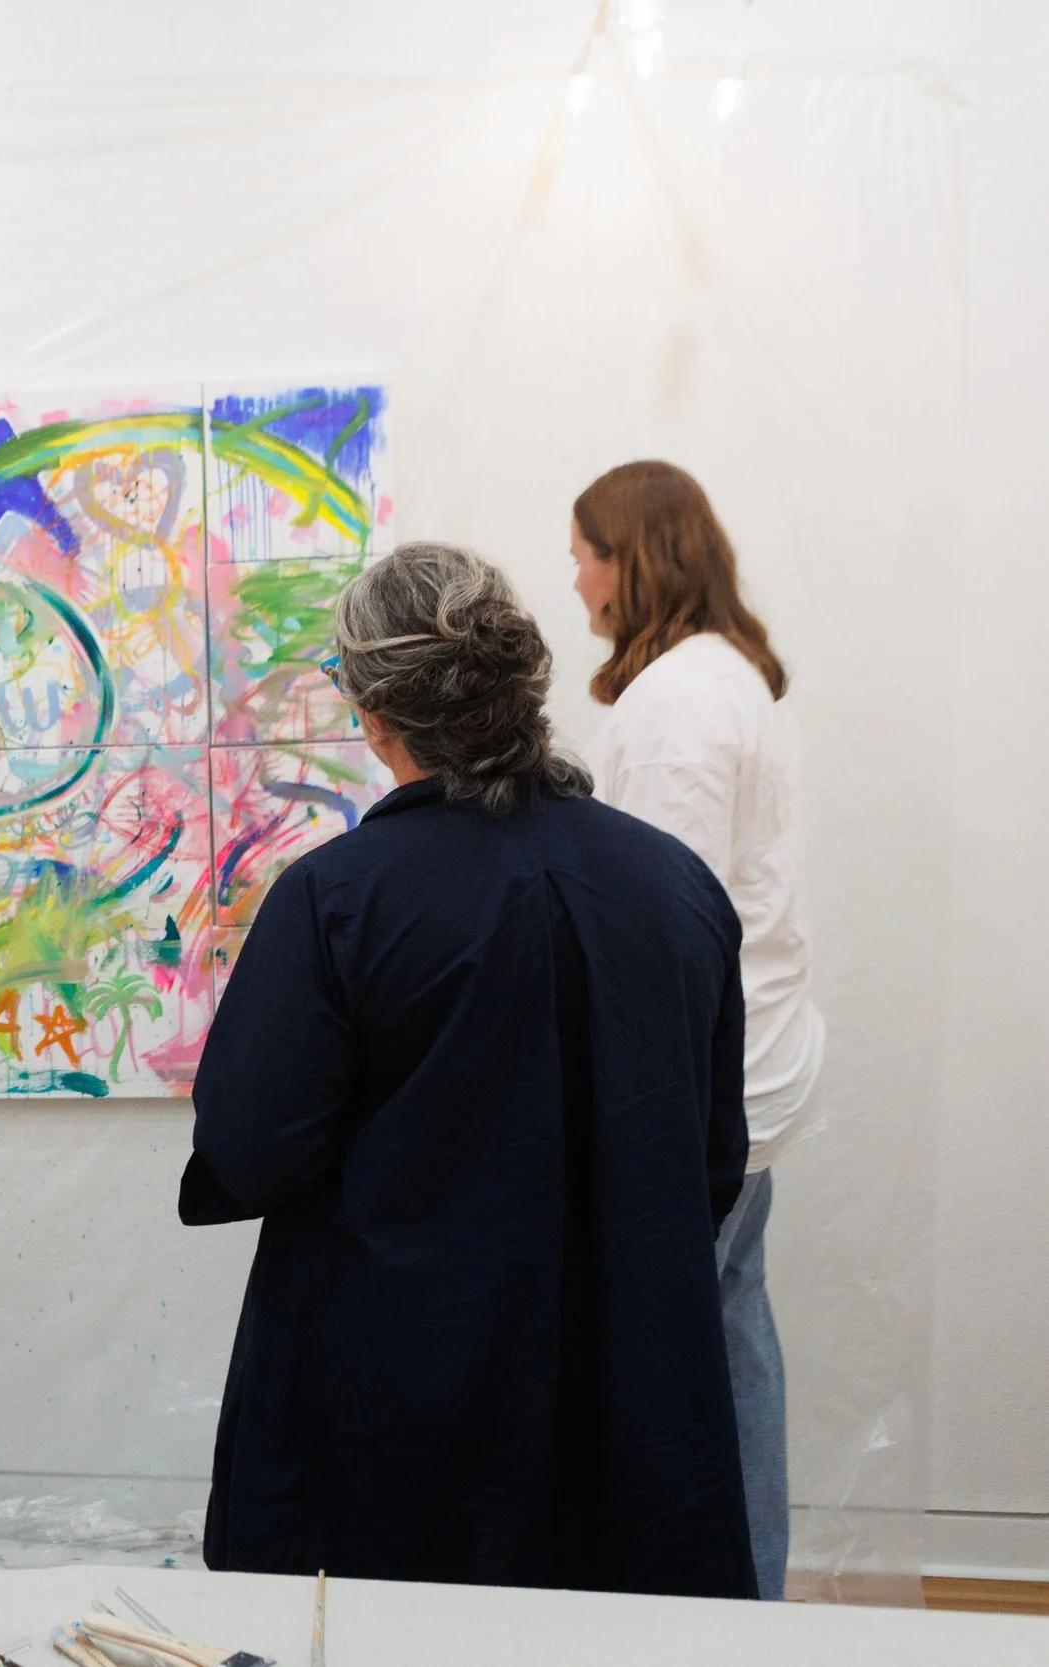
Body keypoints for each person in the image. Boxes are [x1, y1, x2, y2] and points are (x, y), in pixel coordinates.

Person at [180, 541, 756, 1599]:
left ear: (370, 708)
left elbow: (251, 1148)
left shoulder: (335, 899)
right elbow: (712, 1161)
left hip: (398, 1414)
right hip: (630, 1399)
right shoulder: (673, 887)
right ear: (523, 687)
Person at [571, 461, 822, 1603]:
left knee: (671, 1365)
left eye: (583, 552)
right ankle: (748, 1598)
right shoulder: (727, 679)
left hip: (707, 1089)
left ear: (634, 559)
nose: (573, 578)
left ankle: (692, 1608)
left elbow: (661, 930)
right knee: (731, 1342)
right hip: (757, 1070)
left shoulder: (675, 702)